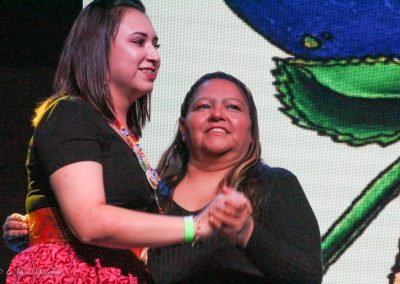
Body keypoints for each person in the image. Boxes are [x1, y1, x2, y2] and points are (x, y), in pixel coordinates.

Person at [3, 2, 248, 283]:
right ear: (98, 47)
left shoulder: (124, 135)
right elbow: (89, 221)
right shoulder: (70, 114)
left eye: (156, 45)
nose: (154, 56)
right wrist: (195, 226)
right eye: (138, 42)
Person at [4, 71, 323, 283]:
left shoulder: (274, 186)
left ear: (251, 132)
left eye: (233, 107)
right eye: (203, 106)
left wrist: (247, 233)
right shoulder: (152, 195)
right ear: (183, 128)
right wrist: (43, 233)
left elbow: (307, 276)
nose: (217, 114)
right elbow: (114, 253)